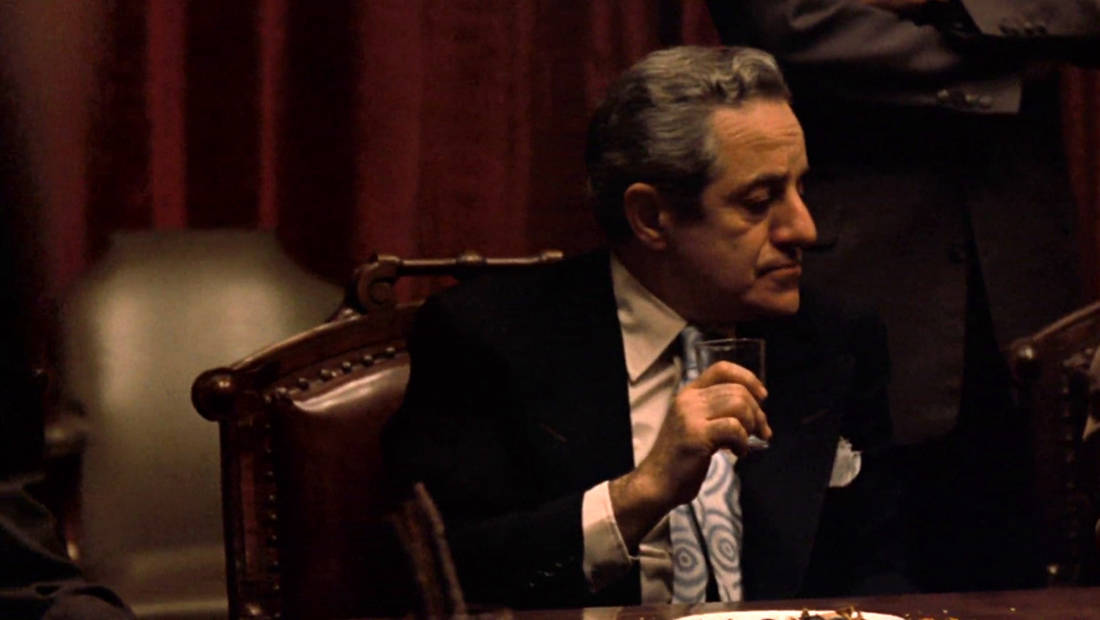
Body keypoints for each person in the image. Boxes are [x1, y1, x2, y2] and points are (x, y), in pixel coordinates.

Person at [383, 46, 909, 610]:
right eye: (759, 202)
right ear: (651, 217)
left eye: (801, 189)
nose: (804, 229)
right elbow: (449, 578)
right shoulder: (489, 338)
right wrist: (640, 494)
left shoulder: (834, 337)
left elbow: (885, 568)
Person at [707, 0, 1100, 591]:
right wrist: (1005, 59)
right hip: (867, 276)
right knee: (861, 563)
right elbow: (787, 23)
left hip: (1022, 277)